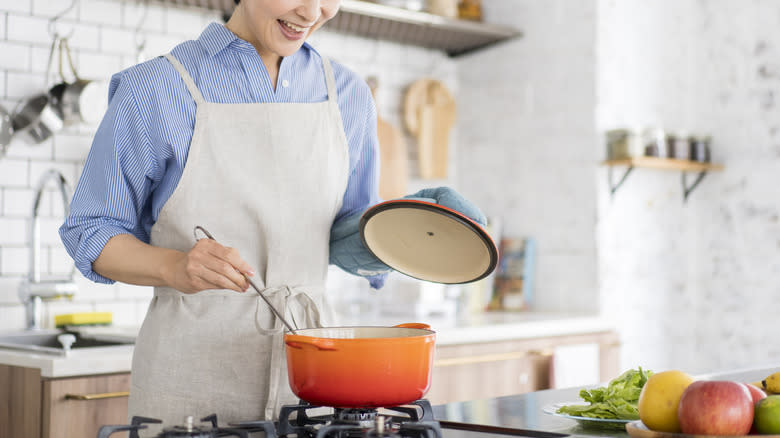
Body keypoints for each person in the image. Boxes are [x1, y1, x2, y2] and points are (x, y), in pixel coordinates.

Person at [59, 0, 485, 433]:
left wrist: (410, 228)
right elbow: (91, 231)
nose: (312, 12)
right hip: (190, 376)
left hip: (316, 377)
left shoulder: (348, 96)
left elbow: (341, 237)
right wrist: (173, 266)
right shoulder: (156, 88)